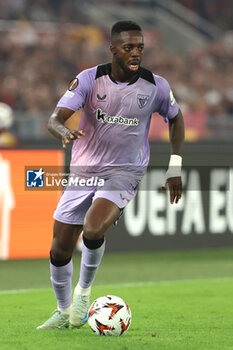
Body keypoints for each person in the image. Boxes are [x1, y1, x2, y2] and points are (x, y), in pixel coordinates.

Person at [37, 20, 184, 330]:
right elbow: (55, 118)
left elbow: (176, 119)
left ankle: (83, 293)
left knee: (92, 228)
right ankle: (65, 313)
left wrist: (175, 166)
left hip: (124, 171)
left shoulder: (156, 85)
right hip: (84, 171)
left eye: (140, 48)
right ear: (114, 49)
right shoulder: (90, 79)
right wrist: (62, 129)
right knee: (59, 247)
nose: (135, 53)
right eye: (128, 48)